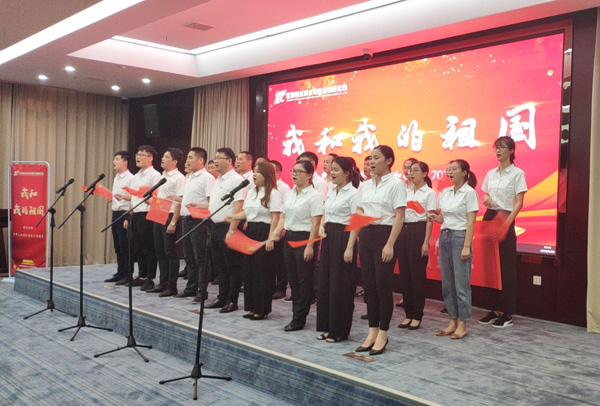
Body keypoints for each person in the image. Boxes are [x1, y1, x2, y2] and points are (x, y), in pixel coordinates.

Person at [351, 145, 406, 356]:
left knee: (383, 287)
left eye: (376, 158)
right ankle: (372, 331)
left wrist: (390, 243)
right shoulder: (365, 185)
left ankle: (383, 333)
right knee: (370, 286)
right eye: (370, 158)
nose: (371, 162)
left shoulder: (396, 184)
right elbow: (359, 211)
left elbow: (399, 216)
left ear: (389, 160)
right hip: (366, 235)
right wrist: (354, 239)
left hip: (385, 235)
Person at [479, 136, 527, 328]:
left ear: (511, 151)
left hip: (506, 217)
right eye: (496, 147)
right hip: (490, 216)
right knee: (489, 267)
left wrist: (506, 226)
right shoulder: (490, 173)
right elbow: (486, 194)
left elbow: (519, 203)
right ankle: (493, 309)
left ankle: (507, 313)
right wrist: (486, 198)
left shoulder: (517, 173)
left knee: (506, 267)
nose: (498, 151)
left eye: (502, 147)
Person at [428, 159, 478, 340]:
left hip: (459, 238)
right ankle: (452, 321)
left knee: (461, 284)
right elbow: (443, 219)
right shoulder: (445, 193)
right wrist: (435, 218)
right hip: (445, 236)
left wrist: (466, 246)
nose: (449, 172)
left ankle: (463, 324)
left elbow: (471, 221)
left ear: (464, 173)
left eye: (454, 169)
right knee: (447, 284)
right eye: (448, 169)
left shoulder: (469, 193)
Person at [271, 160, 323, 332]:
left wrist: (310, 246)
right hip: (289, 238)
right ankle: (296, 314)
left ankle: (299, 318)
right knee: (293, 279)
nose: (294, 174)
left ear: (309, 176)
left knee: (304, 279)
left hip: (305, 239)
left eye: (299, 171)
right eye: (293, 171)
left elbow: (316, 223)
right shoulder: (290, 193)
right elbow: (283, 217)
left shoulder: (314, 195)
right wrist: (277, 231)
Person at [227, 162, 281, 320]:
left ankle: (262, 309)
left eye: (258, 172)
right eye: (254, 172)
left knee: (262, 272)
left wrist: (271, 238)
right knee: (249, 270)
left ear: (267, 175)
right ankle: (251, 307)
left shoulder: (274, 194)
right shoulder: (252, 191)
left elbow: (275, 217)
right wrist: (234, 217)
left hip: (265, 232)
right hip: (250, 231)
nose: (254, 175)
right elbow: (247, 212)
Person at [316, 156, 360, 343]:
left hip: (344, 238)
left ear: (347, 173)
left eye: (336, 170)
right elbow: (325, 212)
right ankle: (327, 327)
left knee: (340, 286)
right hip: (329, 236)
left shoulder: (354, 193)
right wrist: (321, 226)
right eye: (331, 169)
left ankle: (339, 331)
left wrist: (350, 247)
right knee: (325, 283)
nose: (331, 173)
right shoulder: (332, 190)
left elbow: (356, 221)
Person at [204, 148, 245, 313]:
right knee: (220, 266)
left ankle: (232, 300)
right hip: (215, 226)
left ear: (229, 161)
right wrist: (198, 205)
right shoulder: (218, 179)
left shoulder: (237, 180)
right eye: (214, 158)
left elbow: (239, 206)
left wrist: (232, 230)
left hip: (228, 227)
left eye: (218, 158)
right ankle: (222, 297)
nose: (215, 161)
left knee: (233, 265)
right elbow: (215, 204)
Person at [397, 161, 437, 330]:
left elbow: (430, 220)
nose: (411, 173)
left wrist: (426, 242)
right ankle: (408, 313)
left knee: (417, 275)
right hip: (404, 230)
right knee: (405, 274)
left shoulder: (430, 193)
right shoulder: (405, 192)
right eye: (409, 171)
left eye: (415, 171)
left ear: (425, 174)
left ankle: (417, 315)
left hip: (419, 231)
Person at [172, 147, 215, 301]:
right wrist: (176, 199)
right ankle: (191, 288)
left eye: (191, 158)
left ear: (201, 160)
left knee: (201, 258)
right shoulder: (189, 177)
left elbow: (212, 203)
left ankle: (202, 291)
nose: (187, 161)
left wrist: (198, 206)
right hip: (186, 220)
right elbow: (188, 199)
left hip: (199, 221)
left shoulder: (207, 178)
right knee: (189, 257)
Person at [147, 148, 186, 297]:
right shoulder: (163, 176)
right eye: (163, 156)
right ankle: (162, 283)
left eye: (166, 156)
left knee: (170, 253)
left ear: (174, 161)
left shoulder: (179, 178)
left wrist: (174, 222)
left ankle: (171, 286)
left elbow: (179, 202)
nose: (162, 158)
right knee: (160, 251)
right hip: (159, 214)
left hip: (170, 216)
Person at [125, 145, 161, 290]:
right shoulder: (136, 176)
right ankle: (142, 276)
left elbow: (158, 197)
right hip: (136, 214)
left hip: (148, 215)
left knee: (148, 248)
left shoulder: (155, 175)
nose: (137, 157)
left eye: (141, 155)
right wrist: (129, 213)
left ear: (150, 158)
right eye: (137, 154)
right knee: (138, 247)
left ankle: (150, 278)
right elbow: (133, 196)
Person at [106, 151, 134, 284]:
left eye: (117, 159)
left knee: (125, 245)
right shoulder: (117, 177)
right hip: (115, 212)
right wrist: (111, 197)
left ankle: (128, 274)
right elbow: (118, 194)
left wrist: (128, 216)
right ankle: (120, 272)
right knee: (117, 245)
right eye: (114, 159)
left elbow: (134, 197)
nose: (114, 162)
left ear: (125, 162)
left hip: (125, 213)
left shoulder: (131, 178)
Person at [395, 156, 418, 308]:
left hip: (414, 229)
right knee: (403, 267)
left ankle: (415, 300)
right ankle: (406, 297)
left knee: (413, 268)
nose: (407, 170)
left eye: (411, 168)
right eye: (405, 167)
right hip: (400, 228)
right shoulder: (400, 186)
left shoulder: (420, 189)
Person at [270, 159, 291, 300]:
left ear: (278, 172)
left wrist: (281, 228)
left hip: (280, 226)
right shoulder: (267, 187)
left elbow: (284, 210)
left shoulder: (284, 188)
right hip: (269, 226)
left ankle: (281, 288)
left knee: (279, 261)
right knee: (270, 261)